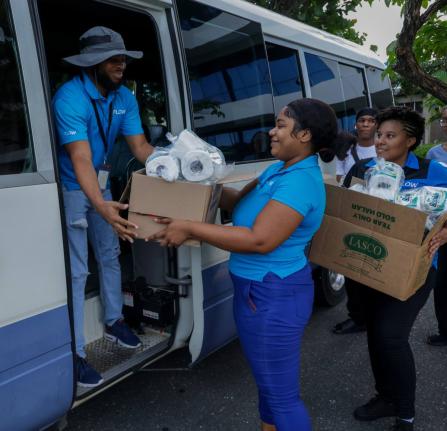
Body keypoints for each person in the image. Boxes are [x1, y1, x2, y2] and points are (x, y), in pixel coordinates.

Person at [147, 98, 339, 431]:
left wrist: (190, 228)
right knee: (268, 386)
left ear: (305, 135)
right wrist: (201, 178)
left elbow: (259, 239)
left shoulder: (300, 181)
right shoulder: (279, 169)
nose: (271, 131)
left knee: (282, 397)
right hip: (257, 291)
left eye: (281, 125)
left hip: (272, 296)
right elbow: (238, 203)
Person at [53, 26, 154, 387]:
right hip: (72, 189)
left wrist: (182, 165)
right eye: (113, 59)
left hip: (103, 184)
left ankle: (114, 321)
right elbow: (80, 159)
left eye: (123, 58)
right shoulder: (69, 98)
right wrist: (103, 207)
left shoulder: (124, 97)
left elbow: (141, 149)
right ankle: (75, 354)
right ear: (91, 63)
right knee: (78, 271)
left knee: (110, 254)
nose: (121, 64)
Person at [343, 106, 447, 431]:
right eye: (379, 136)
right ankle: (385, 397)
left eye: (390, 135)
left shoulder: (435, 171)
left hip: (417, 266)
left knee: (391, 335)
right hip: (370, 262)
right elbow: (348, 210)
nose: (381, 142)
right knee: (375, 332)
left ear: (411, 140)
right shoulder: (363, 169)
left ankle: (405, 412)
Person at [333, 108, 378, 335]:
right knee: (351, 265)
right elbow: (341, 179)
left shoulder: (384, 147)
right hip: (353, 211)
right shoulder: (346, 150)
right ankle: (357, 317)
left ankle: (378, 316)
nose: (366, 124)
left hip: (378, 214)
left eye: (371, 120)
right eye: (362, 120)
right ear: (356, 124)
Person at [426, 106, 447, 346]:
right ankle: (445, 330)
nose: (445, 124)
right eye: (443, 120)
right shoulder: (433, 154)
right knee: (442, 284)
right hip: (441, 230)